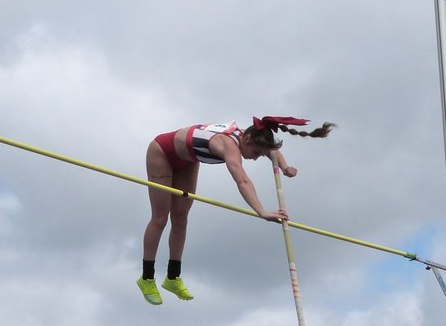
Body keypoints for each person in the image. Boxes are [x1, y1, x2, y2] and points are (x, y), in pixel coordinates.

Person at [137, 116, 334, 305]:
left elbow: (271, 150)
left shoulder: (251, 136)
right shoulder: (229, 145)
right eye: (256, 153)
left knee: (180, 218)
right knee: (160, 218)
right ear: (247, 139)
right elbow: (242, 180)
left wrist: (285, 167)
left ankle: (172, 277)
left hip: (187, 160)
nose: (256, 158)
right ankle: (146, 278)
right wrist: (262, 211)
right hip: (162, 152)